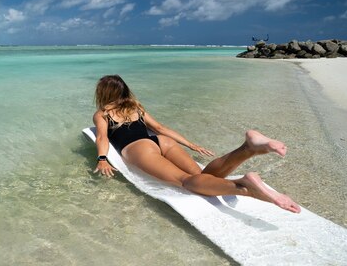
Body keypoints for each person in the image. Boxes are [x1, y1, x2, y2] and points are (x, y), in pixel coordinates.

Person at [92, 75, 301, 213]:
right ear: (124, 91)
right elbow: (162, 129)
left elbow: (102, 138)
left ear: (103, 94)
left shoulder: (103, 114)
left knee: (186, 181)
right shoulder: (136, 108)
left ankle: (245, 187)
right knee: (202, 177)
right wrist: (190, 145)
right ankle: (248, 148)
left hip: (138, 148)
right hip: (162, 142)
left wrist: (102, 158)